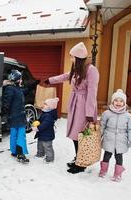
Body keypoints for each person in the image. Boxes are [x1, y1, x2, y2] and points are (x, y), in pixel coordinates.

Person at [44, 42, 99, 174]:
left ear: (79, 57)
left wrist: (90, 113)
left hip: (84, 106)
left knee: (80, 135)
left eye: (72, 56)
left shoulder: (91, 70)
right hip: (75, 104)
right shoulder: (76, 69)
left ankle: (81, 164)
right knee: (75, 134)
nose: (71, 59)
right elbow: (65, 76)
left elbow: (92, 92)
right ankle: (78, 159)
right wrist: (50, 80)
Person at [1, 70, 39, 164]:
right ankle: (20, 154)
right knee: (21, 135)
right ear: (17, 80)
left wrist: (33, 85)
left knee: (14, 133)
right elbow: (6, 102)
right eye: (20, 78)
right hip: (16, 116)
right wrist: (4, 112)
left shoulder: (16, 88)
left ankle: (14, 151)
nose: (22, 80)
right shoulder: (10, 89)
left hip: (16, 116)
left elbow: (24, 91)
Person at [99, 89, 131, 182]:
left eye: (121, 101)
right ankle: (103, 170)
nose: (118, 103)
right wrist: (98, 136)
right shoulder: (107, 113)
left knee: (119, 157)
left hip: (121, 140)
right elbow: (102, 125)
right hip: (109, 138)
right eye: (116, 100)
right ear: (112, 102)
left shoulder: (128, 116)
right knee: (106, 155)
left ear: (124, 103)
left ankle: (118, 174)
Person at [32, 97, 59, 163]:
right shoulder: (45, 113)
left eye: (46, 104)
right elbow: (41, 120)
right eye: (44, 104)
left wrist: (38, 128)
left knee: (47, 146)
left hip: (47, 134)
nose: (44, 105)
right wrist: (37, 122)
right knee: (40, 144)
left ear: (50, 107)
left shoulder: (49, 116)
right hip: (42, 133)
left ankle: (50, 159)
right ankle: (40, 153)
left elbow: (45, 124)